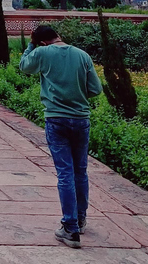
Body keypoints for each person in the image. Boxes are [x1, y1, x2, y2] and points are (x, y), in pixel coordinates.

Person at [19, 25, 102, 249]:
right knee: (79, 171)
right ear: (58, 36)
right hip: (81, 119)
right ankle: (81, 219)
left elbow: (25, 67)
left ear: (42, 42)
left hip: (56, 119)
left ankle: (70, 227)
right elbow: (96, 89)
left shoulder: (42, 52)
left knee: (65, 172)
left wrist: (31, 45)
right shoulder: (82, 55)